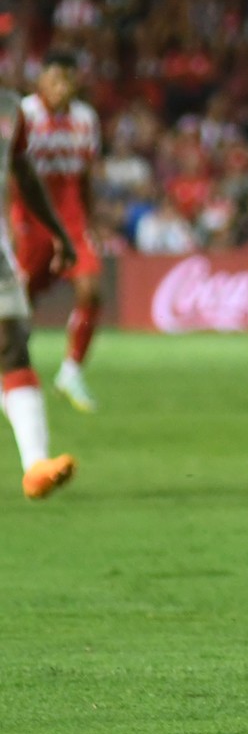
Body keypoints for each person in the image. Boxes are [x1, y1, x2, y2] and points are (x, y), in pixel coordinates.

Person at [0, 87, 80, 499]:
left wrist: (58, 232)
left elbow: (23, 174)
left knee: (13, 344)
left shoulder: (10, 109)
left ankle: (35, 466)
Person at [12, 52, 102, 412]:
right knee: (20, 305)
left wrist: (90, 219)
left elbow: (86, 177)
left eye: (68, 80)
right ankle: (11, 376)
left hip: (71, 219)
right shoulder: (24, 115)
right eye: (55, 80)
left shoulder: (86, 119)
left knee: (91, 290)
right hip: (31, 219)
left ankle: (71, 371)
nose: (62, 88)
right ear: (41, 83)